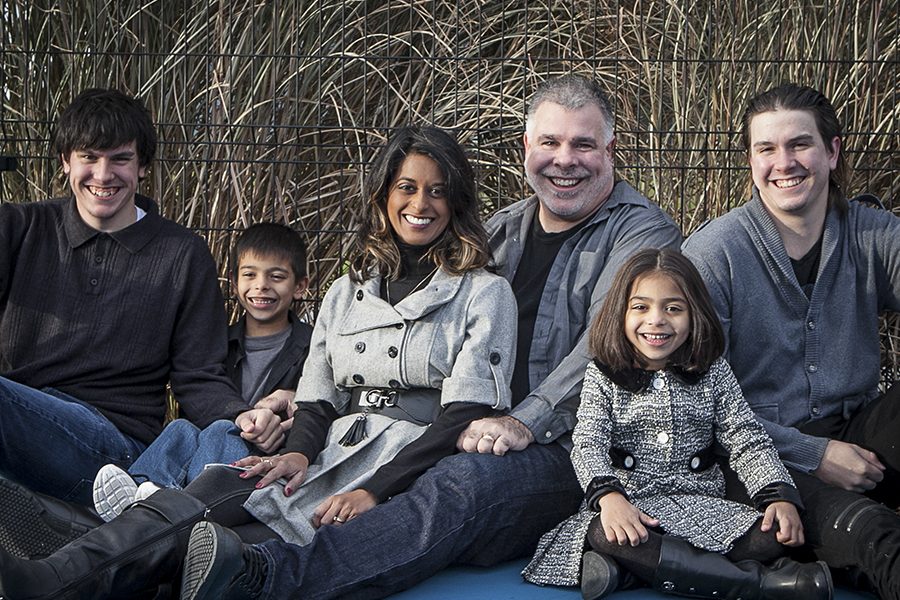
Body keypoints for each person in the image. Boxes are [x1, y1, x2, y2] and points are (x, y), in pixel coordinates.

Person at [175, 74, 684, 600]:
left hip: (576, 452)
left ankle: (267, 578)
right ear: (527, 148)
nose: (565, 159)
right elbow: (418, 326)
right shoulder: (501, 230)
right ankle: (168, 553)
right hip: (465, 424)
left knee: (459, 484)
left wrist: (521, 422)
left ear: (611, 150)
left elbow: (605, 348)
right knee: (277, 460)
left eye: (583, 143)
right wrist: (308, 399)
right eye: (550, 142)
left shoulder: (642, 233)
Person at [0, 125, 519, 600]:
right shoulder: (346, 292)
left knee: (225, 546)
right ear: (384, 196)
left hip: (406, 459)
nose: (420, 203)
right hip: (330, 447)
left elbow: (461, 416)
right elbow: (318, 399)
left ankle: (68, 560)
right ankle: (52, 576)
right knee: (213, 492)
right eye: (406, 187)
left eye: (436, 190)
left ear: (456, 201)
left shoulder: (483, 293)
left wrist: (373, 490)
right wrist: (295, 454)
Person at [682, 83, 900, 599]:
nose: (784, 162)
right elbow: (692, 406)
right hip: (759, 458)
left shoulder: (871, 233)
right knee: (873, 535)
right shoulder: (715, 255)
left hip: (856, 431)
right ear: (752, 161)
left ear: (831, 151)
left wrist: (835, 446)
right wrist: (812, 451)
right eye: (766, 149)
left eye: (799, 144)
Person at [0, 88, 257, 514]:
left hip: (114, 451)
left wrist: (239, 414)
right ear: (66, 162)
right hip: (21, 420)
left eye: (119, 159)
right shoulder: (21, 227)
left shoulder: (181, 254)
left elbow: (198, 376)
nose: (103, 175)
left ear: (142, 168)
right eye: (89, 157)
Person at [522, 248, 831, 600]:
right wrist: (609, 498)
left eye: (673, 308)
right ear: (620, 314)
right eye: (641, 307)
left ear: (694, 314)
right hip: (630, 507)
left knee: (772, 534)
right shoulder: (604, 375)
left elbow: (747, 438)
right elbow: (588, 443)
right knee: (606, 535)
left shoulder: (712, 372)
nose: (656, 320)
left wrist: (777, 495)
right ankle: (760, 584)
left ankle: (629, 571)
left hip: (700, 505)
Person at [91, 222, 313, 521]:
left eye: (276, 276)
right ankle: (140, 493)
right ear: (233, 284)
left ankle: (174, 512)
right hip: (212, 450)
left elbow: (319, 406)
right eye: (250, 275)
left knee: (221, 429)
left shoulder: (311, 347)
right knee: (180, 428)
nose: (261, 285)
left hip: (265, 458)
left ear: (300, 286)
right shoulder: (216, 341)